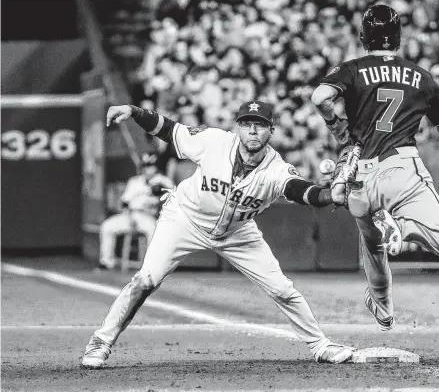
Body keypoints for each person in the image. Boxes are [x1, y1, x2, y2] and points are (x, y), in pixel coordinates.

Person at [81, 100, 354, 368]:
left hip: (238, 232)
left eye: (260, 125)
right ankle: (101, 342)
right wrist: (135, 112)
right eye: (247, 124)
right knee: (145, 280)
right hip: (184, 219)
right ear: (238, 128)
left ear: (271, 131)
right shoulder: (214, 141)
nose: (253, 131)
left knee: (282, 289)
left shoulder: (275, 168)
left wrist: (330, 194)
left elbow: (300, 190)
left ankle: (320, 346)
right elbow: (170, 130)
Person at [311, 4, 439, 331]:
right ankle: (400, 227)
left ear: (364, 37)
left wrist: (338, 128)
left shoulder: (353, 68)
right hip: (401, 166)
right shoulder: (418, 75)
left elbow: (319, 97)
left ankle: (382, 306)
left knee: (372, 243)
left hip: (360, 176)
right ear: (398, 37)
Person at [98, 152, 174, 270]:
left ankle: (153, 265)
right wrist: (128, 216)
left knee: (153, 230)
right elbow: (125, 202)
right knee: (107, 226)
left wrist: (158, 189)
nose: (147, 170)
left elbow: (171, 198)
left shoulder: (164, 181)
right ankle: (107, 262)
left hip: (149, 217)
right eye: (145, 166)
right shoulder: (134, 181)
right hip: (130, 215)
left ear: (157, 167)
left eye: (150, 166)